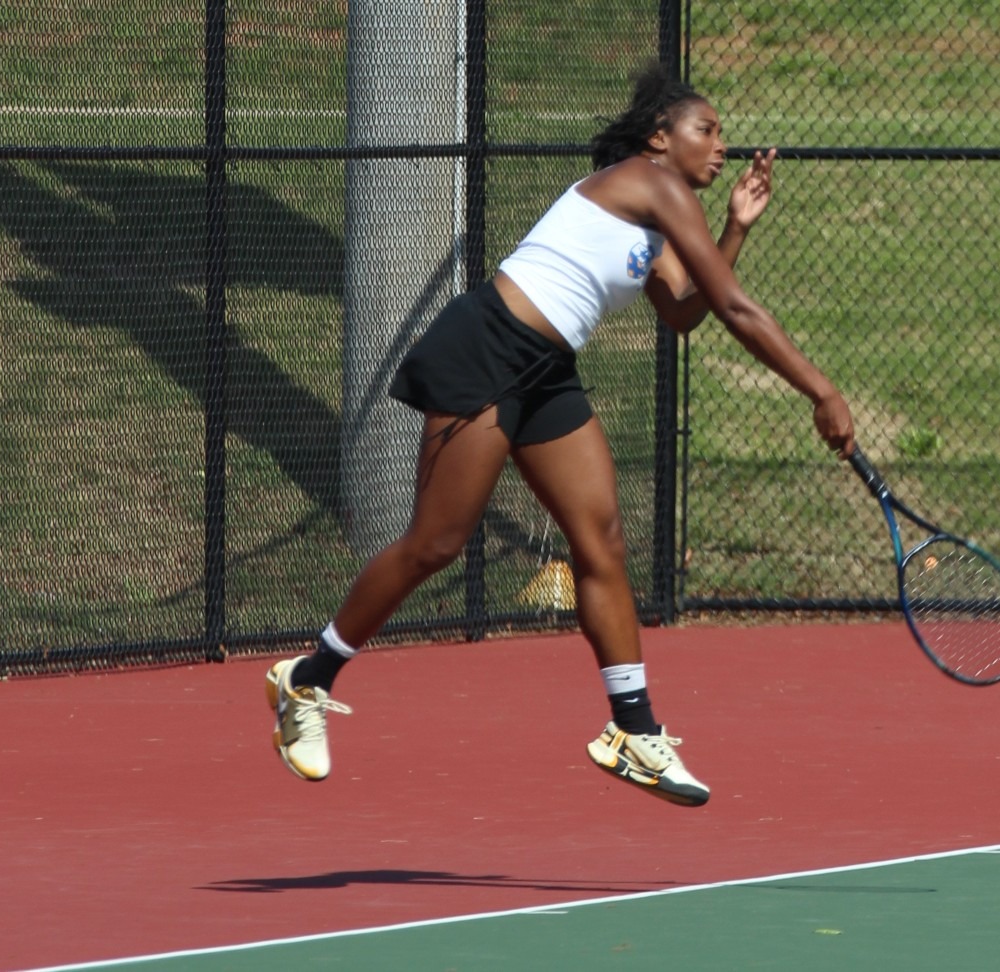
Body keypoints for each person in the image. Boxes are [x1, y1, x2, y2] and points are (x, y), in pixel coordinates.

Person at [265, 65, 855, 807]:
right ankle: (306, 679)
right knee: (437, 543)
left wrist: (736, 225)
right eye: (707, 131)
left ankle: (633, 731)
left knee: (600, 536)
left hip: (546, 369)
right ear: (658, 139)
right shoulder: (648, 182)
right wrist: (821, 390)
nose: (722, 148)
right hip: (487, 348)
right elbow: (733, 308)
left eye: (723, 135)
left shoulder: (654, 215)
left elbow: (683, 309)